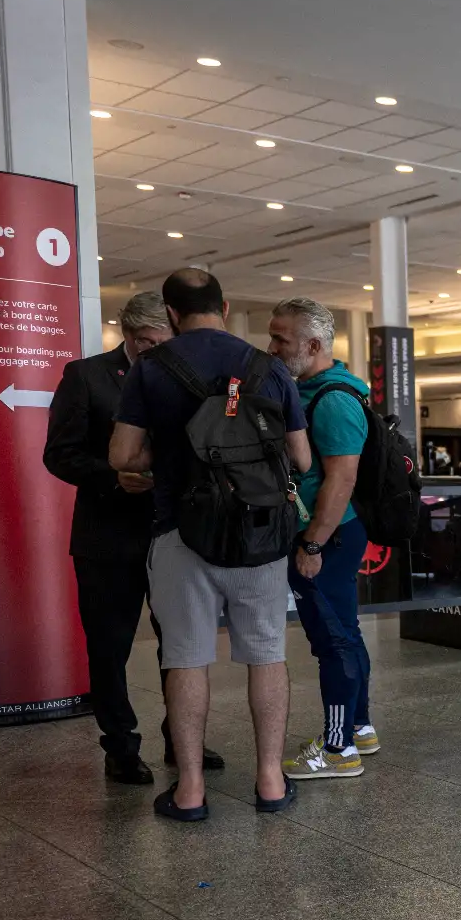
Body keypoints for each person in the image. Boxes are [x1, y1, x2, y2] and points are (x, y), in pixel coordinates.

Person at [110, 269, 311, 822]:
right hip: (259, 538)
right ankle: (270, 780)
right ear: (224, 308)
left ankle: (191, 790)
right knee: (267, 654)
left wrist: (173, 458)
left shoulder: (150, 369)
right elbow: (302, 459)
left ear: (171, 314)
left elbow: (122, 456)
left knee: (185, 660)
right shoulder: (267, 367)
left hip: (180, 535)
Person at [43, 291, 222, 784]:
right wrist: (111, 476)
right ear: (127, 334)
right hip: (107, 535)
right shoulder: (86, 376)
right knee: (110, 646)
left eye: (163, 342)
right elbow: (59, 455)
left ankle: (181, 738)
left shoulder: (186, 376)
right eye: (145, 343)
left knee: (181, 645)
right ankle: (120, 746)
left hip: (174, 534)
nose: (154, 353)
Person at [268, 297, 380, 780]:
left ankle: (338, 749)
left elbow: (341, 480)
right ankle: (359, 727)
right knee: (346, 634)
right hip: (333, 534)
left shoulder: (331, 400)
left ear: (313, 345)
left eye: (281, 340)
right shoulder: (314, 391)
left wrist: (312, 544)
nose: (271, 348)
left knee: (331, 643)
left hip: (327, 537)